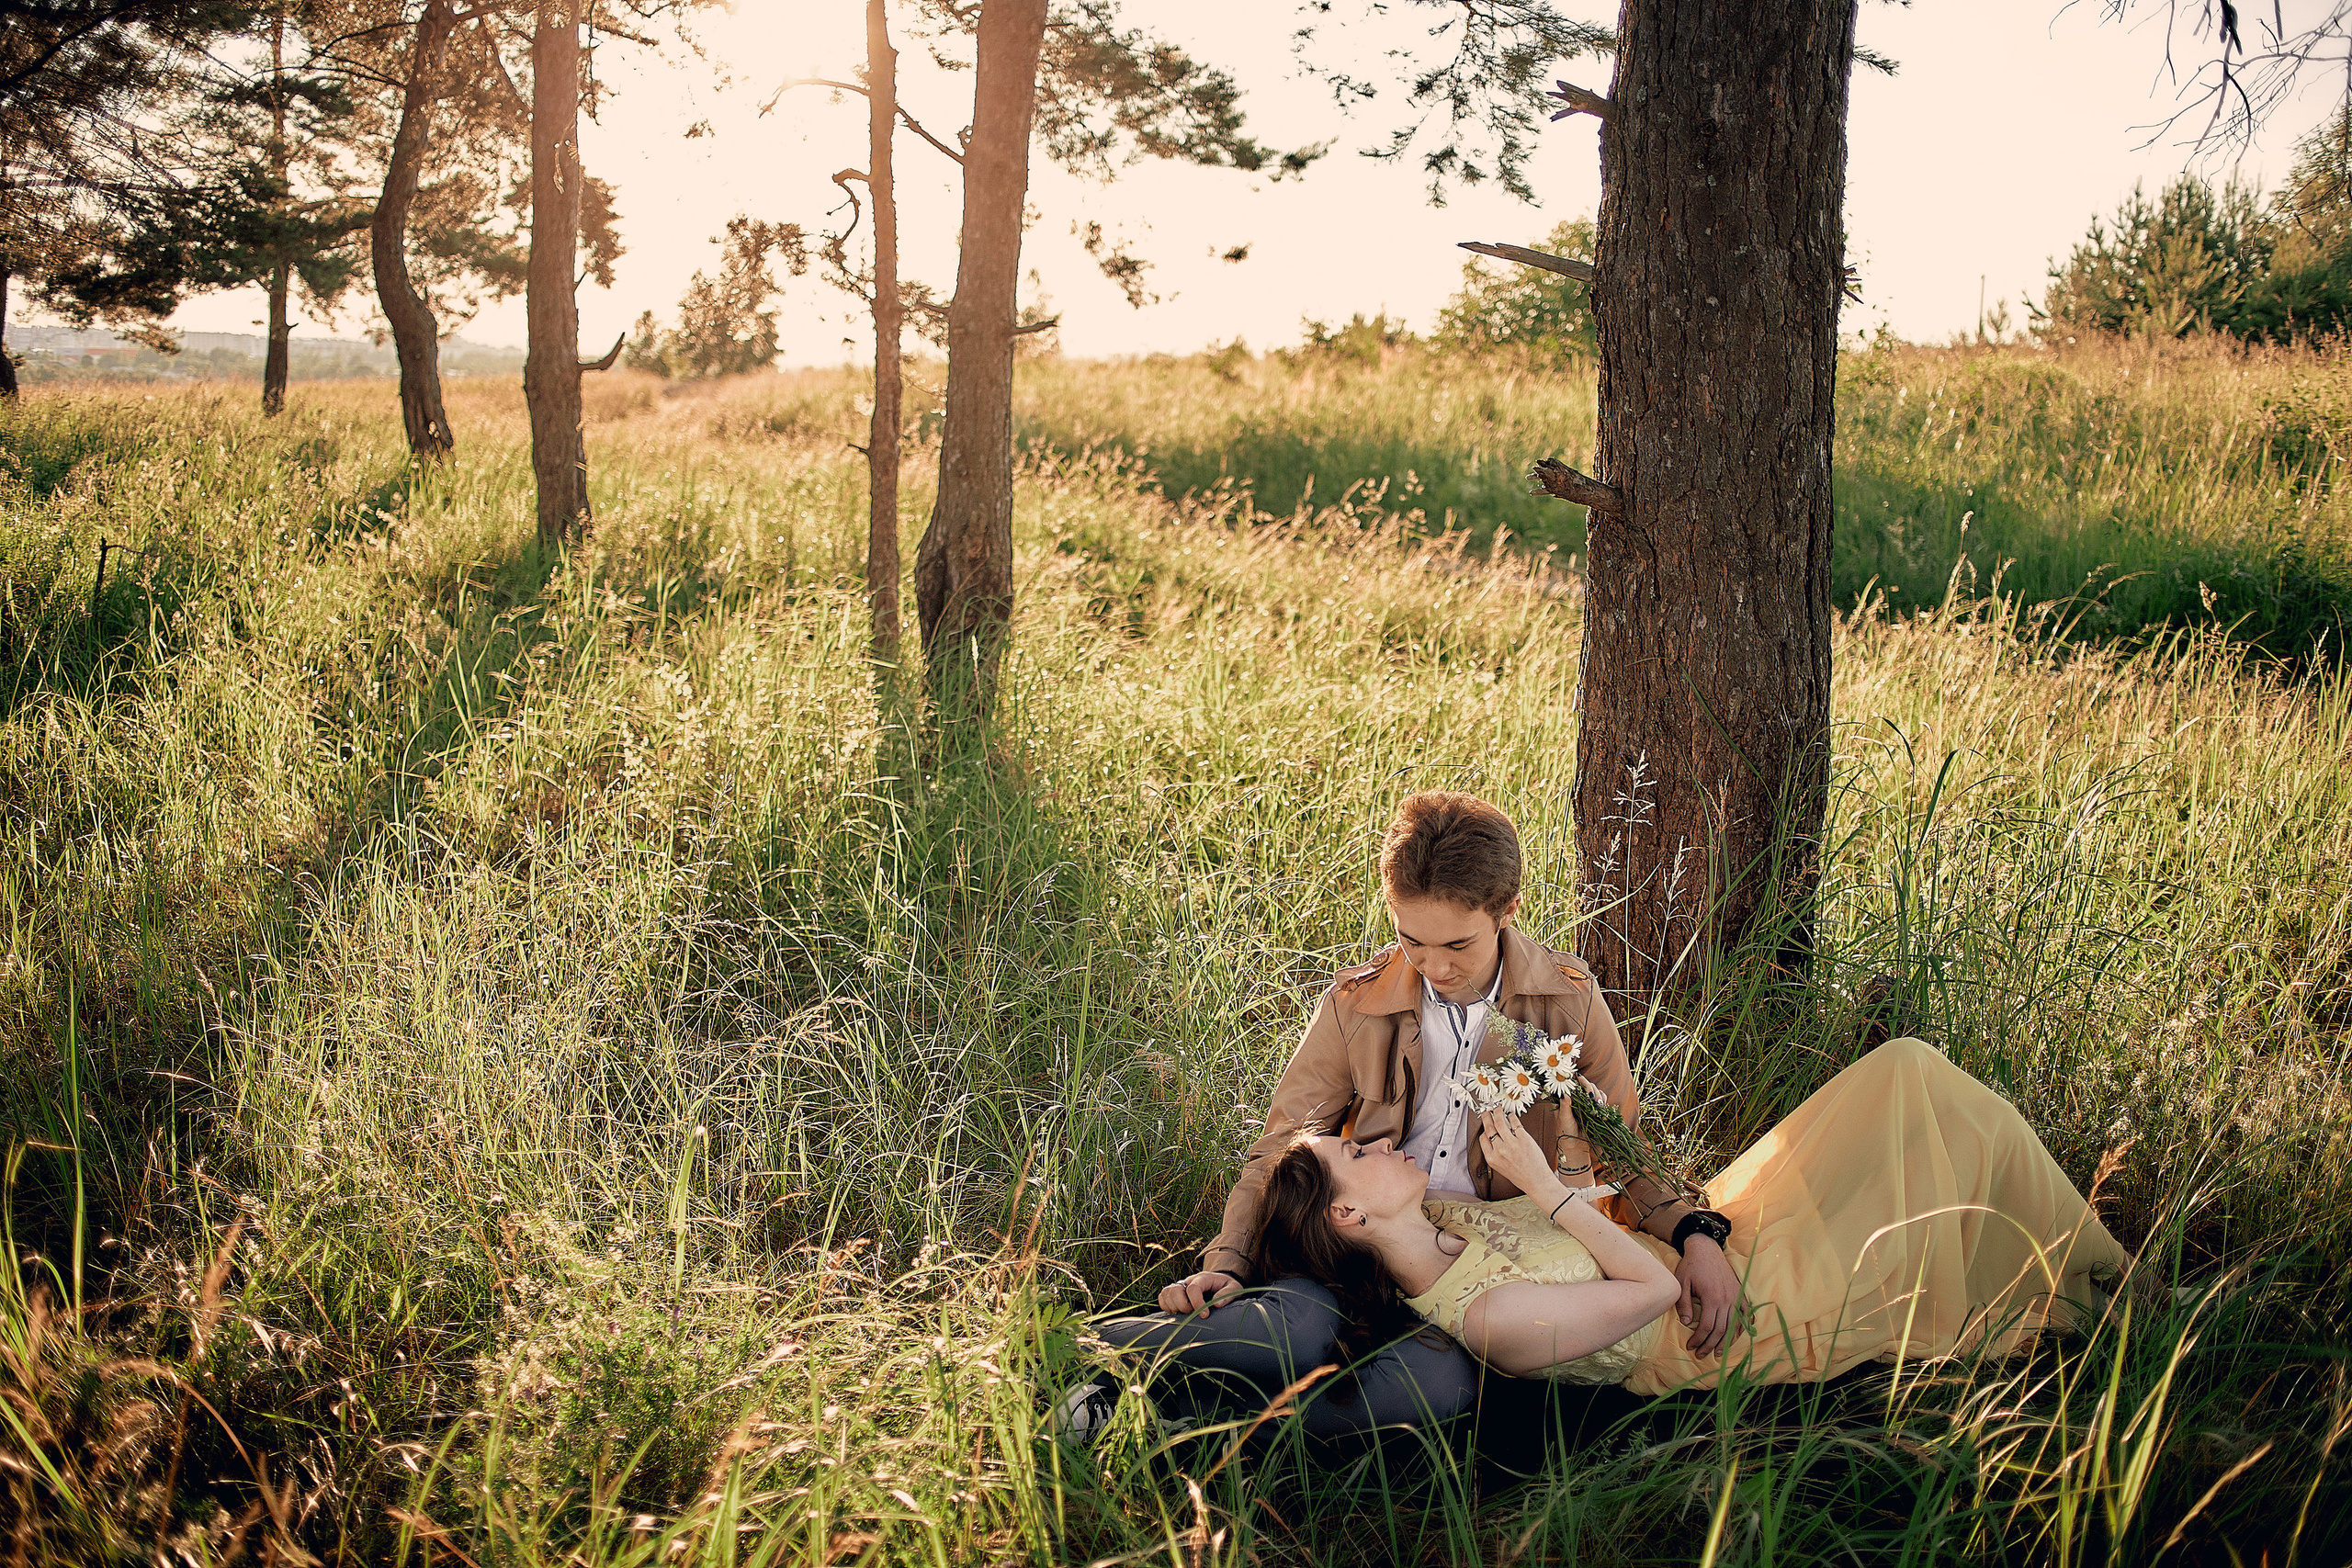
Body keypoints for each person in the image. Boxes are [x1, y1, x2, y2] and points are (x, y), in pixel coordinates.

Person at [1097, 791, 1746, 1432]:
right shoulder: (1358, 1002)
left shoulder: (1564, 1002)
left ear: (1506, 911)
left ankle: (1169, 1420)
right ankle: (1086, 1354)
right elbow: (1282, 1146)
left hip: (1480, 1270)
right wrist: (1227, 1263)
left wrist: (1695, 1233)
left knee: (1437, 1386)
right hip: (1361, 1244)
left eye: (1457, 945)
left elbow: (1619, 1143)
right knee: (1296, 1328)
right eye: (1412, 940)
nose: (1434, 966)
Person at [1251, 1037, 2132, 1393]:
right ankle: (2121, 1281)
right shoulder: (1486, 1318)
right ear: (1351, 1217)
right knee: (1945, 1153)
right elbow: (1648, 1287)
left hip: (1718, 1234)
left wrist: (1556, 1099)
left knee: (1908, 1072)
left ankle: (2087, 1247)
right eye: (1356, 1156)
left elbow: (1588, 1187)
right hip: (1732, 1316)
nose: (1375, 1143)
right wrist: (1552, 1189)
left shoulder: (1447, 1211)